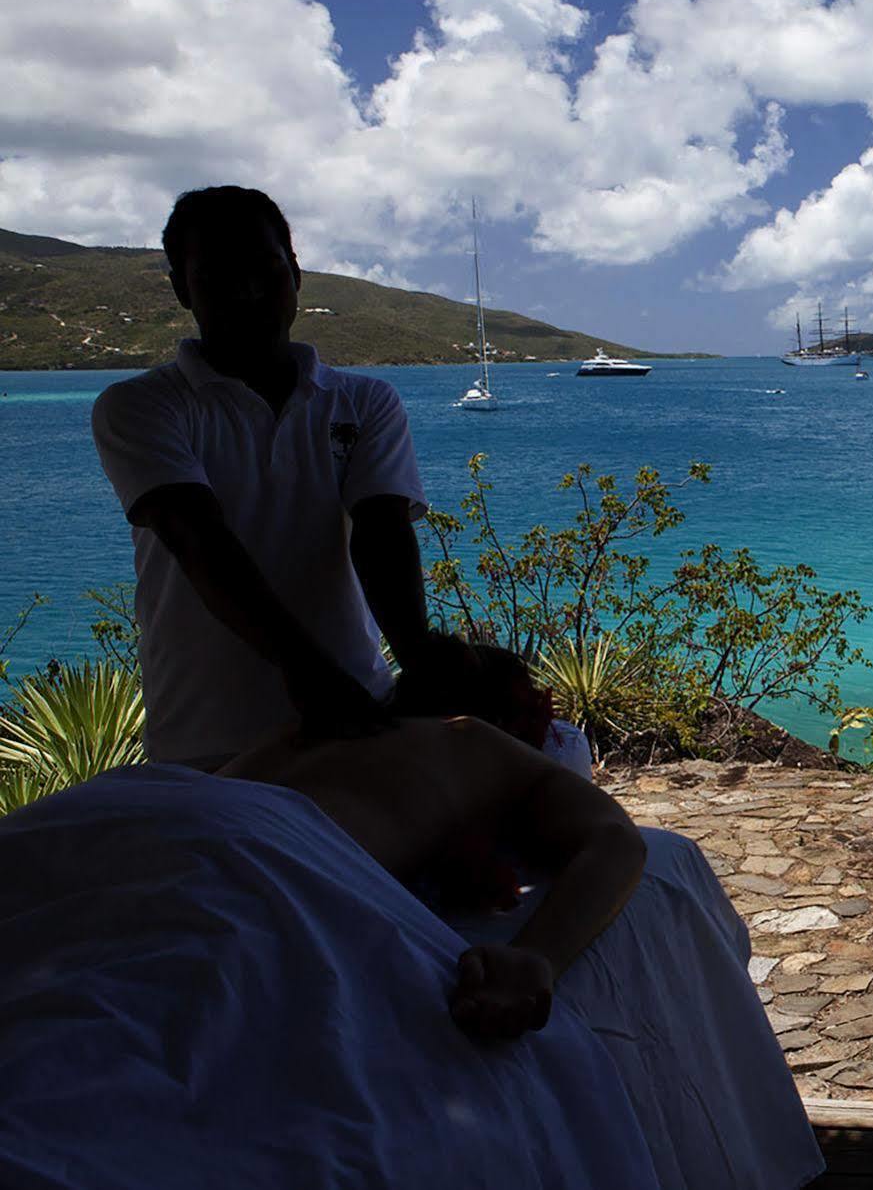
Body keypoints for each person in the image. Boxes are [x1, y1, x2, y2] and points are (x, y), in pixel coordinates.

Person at [91, 186, 463, 765]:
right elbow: (197, 539)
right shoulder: (141, 406)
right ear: (180, 288)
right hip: (207, 743)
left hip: (356, 723)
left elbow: (382, 532)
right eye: (218, 276)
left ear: (295, 273)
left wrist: (419, 663)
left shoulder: (363, 401)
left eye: (266, 271)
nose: (248, 293)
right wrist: (310, 674)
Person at [218, 709, 647, 1041]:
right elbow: (618, 840)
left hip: (173, 807)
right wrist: (538, 955)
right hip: (263, 866)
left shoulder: (300, 732)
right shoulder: (474, 739)